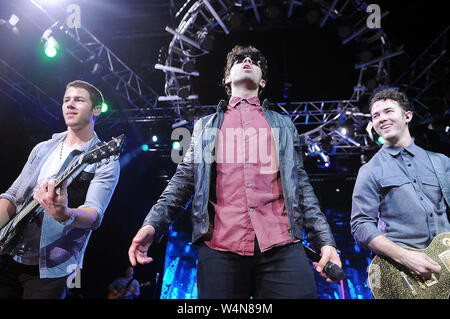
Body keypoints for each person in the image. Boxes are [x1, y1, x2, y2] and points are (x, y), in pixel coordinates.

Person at [128, 45, 341, 299]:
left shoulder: (284, 125)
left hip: (283, 246)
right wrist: (153, 224)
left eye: (255, 60)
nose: (248, 60)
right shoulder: (205, 127)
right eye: (239, 59)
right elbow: (183, 182)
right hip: (220, 249)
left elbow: (302, 186)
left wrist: (325, 240)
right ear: (227, 78)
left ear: (263, 81)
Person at [0, 80, 120, 299]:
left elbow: (94, 214)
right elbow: (13, 196)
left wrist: (65, 214)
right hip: (10, 251)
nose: (70, 105)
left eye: (79, 100)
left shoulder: (105, 159)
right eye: (66, 100)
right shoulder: (43, 148)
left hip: (51, 266)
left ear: (96, 109)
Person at [351, 89, 449, 279]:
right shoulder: (370, 170)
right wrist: (405, 257)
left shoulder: (442, 162)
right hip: (403, 275)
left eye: (388, 111)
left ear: (407, 116)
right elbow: (361, 225)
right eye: (376, 115)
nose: (382, 118)